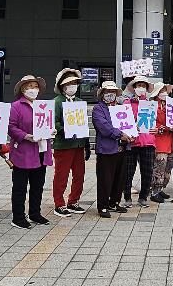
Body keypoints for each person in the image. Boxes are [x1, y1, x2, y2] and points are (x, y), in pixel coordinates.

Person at [7, 75, 54, 229]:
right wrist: (26, 136)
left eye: (35, 86)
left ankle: (35, 213)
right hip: (23, 151)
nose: (33, 89)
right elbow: (11, 126)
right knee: (20, 186)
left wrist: (51, 130)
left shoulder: (43, 106)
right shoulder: (16, 106)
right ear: (22, 89)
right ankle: (18, 217)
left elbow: (48, 123)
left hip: (41, 149)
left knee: (38, 185)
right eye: (29, 87)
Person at [91, 81, 133, 218]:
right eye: (107, 92)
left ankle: (114, 202)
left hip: (122, 147)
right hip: (106, 149)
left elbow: (128, 124)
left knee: (119, 178)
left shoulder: (121, 108)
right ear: (102, 94)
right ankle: (102, 205)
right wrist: (120, 134)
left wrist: (132, 133)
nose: (110, 95)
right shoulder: (98, 109)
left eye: (113, 92)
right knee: (105, 179)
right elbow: (103, 127)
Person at [52, 68, 90, 218]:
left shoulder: (80, 102)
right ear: (62, 86)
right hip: (63, 144)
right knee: (61, 175)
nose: (72, 86)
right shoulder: (57, 102)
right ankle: (59, 203)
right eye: (69, 83)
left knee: (79, 175)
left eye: (74, 83)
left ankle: (73, 201)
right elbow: (54, 122)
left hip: (78, 144)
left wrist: (86, 143)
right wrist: (66, 130)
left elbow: (84, 123)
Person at [123, 76, 157, 208]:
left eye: (143, 86)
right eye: (139, 86)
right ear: (134, 88)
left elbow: (155, 122)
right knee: (128, 171)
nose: (141, 88)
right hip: (131, 142)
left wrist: (157, 129)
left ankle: (143, 197)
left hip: (148, 141)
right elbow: (123, 121)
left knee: (147, 171)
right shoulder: (127, 103)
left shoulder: (151, 104)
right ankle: (127, 197)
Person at [150, 82, 173, 204]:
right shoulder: (152, 106)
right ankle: (154, 191)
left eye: (165, 90)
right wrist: (164, 127)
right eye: (161, 91)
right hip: (159, 139)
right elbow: (151, 122)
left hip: (170, 139)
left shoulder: (170, 105)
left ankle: (161, 188)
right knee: (160, 165)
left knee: (168, 166)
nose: (164, 93)